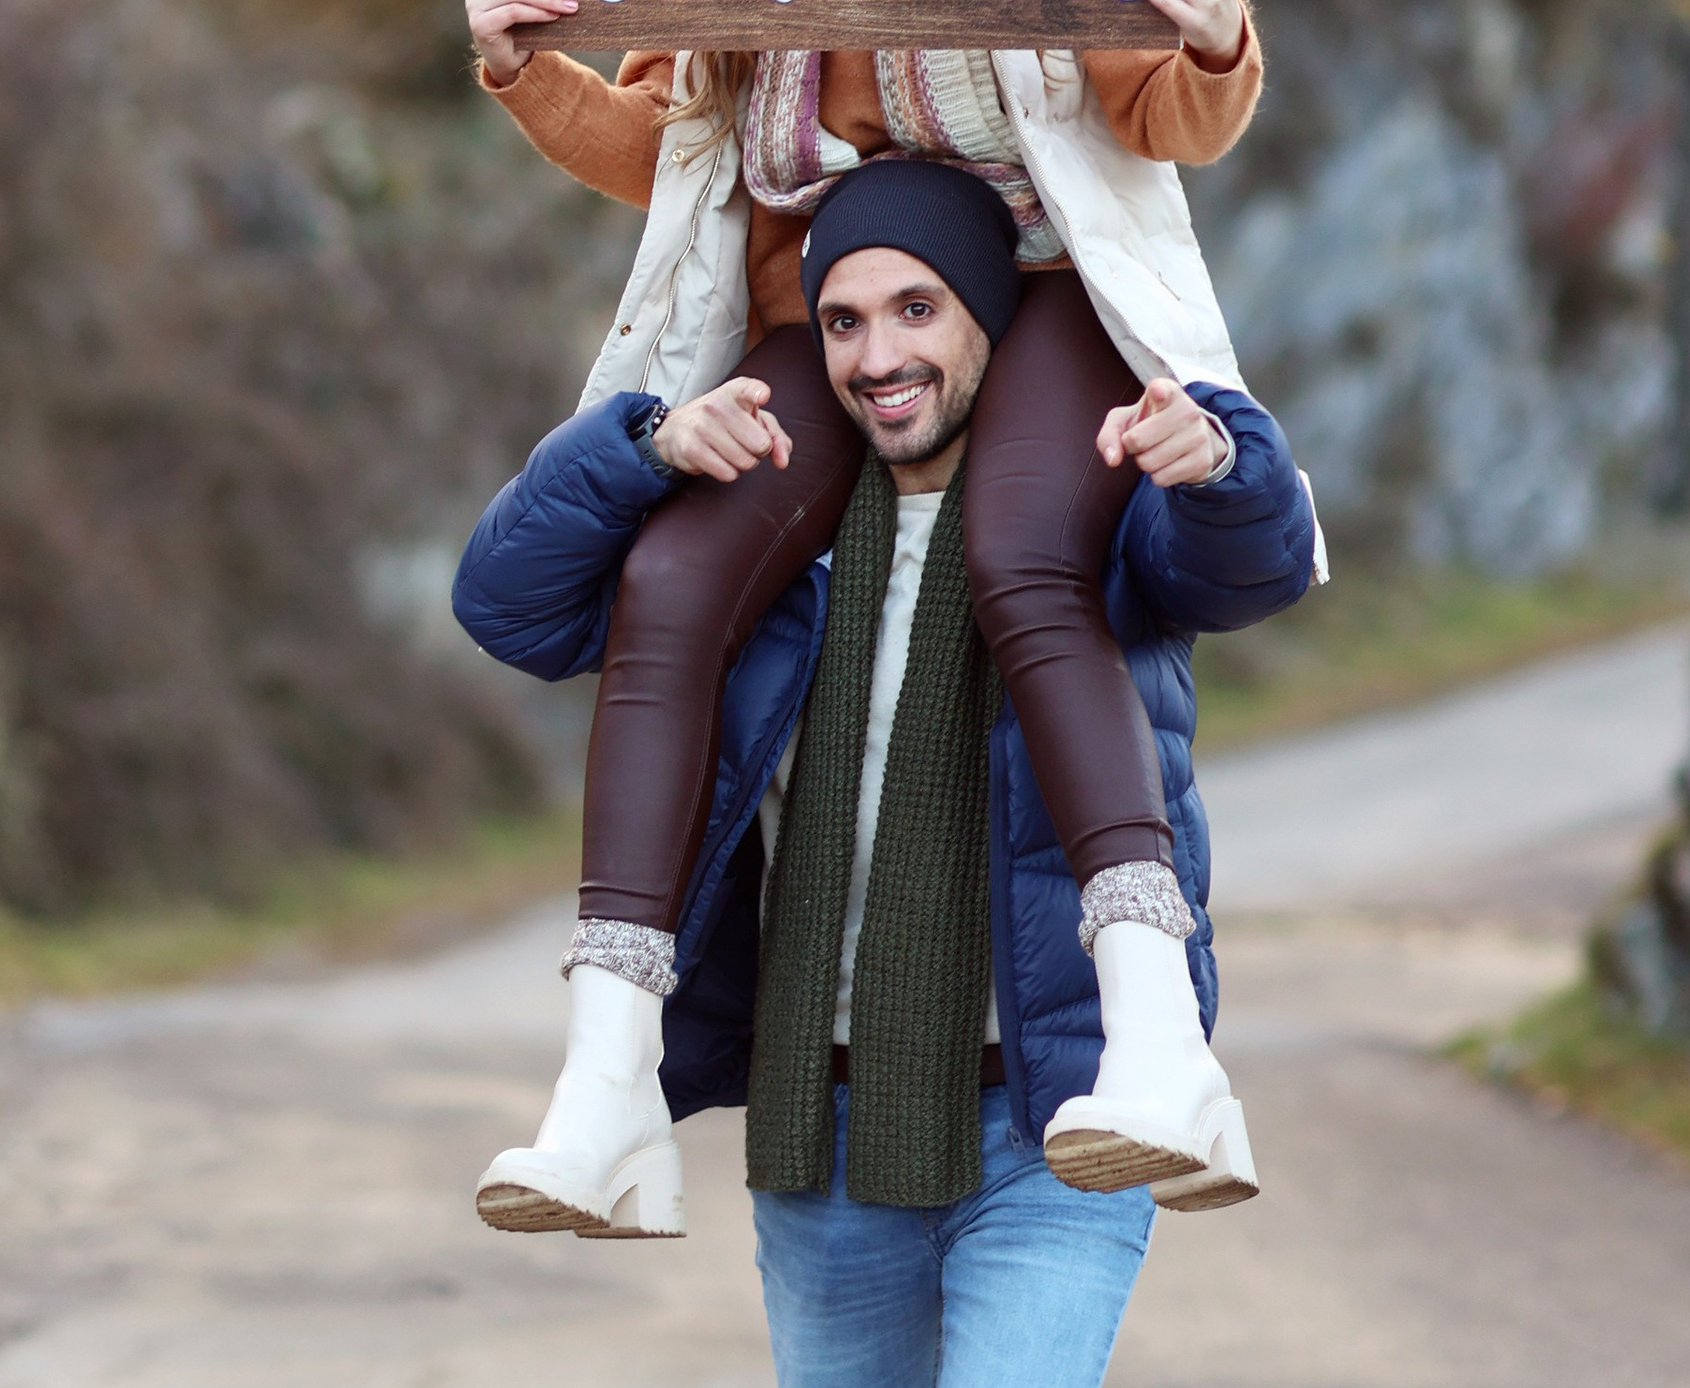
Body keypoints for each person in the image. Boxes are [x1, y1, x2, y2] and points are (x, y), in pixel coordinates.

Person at [463, 0, 1302, 1229]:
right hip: (814, 295)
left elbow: (1141, 110)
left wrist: (1217, 37)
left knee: (1024, 549)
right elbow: (670, 153)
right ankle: (606, 1078)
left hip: (1030, 277)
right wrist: (522, 56)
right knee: (676, 579)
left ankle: (1157, 1041)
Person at [452, 162, 1318, 1385]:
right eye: (843, 321)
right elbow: (507, 604)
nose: (875, 357)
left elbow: (1248, 569)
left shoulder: (1090, 513)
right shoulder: (764, 540)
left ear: (988, 314)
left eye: (917, 309)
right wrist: (640, 450)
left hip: (1053, 1124)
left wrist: (1223, 463)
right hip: (823, 1125)